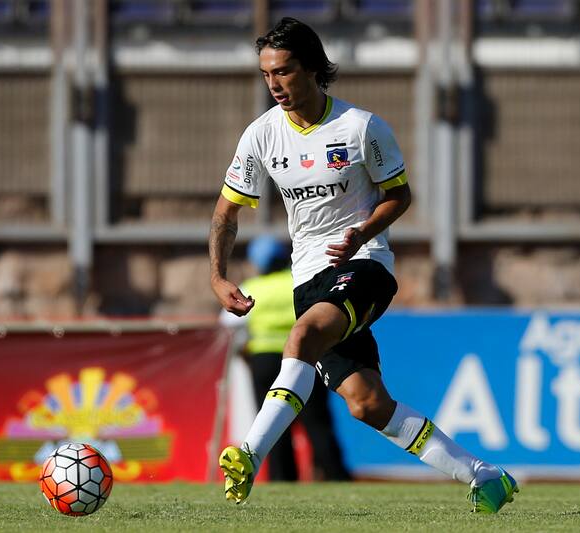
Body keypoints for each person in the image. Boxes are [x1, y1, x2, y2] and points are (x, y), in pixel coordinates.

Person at [208, 17, 518, 513]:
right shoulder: (262, 135)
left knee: (303, 337)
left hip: (365, 266)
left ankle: (248, 453)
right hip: (308, 279)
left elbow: (399, 195)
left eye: (284, 72)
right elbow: (226, 212)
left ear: (312, 69)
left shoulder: (360, 127)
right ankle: (485, 476)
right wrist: (218, 275)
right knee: (368, 405)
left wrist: (362, 233)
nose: (274, 85)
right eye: (267, 75)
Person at [223, 235, 352, 482]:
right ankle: (336, 477)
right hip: (305, 358)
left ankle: (282, 480)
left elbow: (230, 326)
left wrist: (248, 354)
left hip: (262, 362)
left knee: (273, 423)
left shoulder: (252, 287)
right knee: (318, 423)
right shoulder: (297, 281)